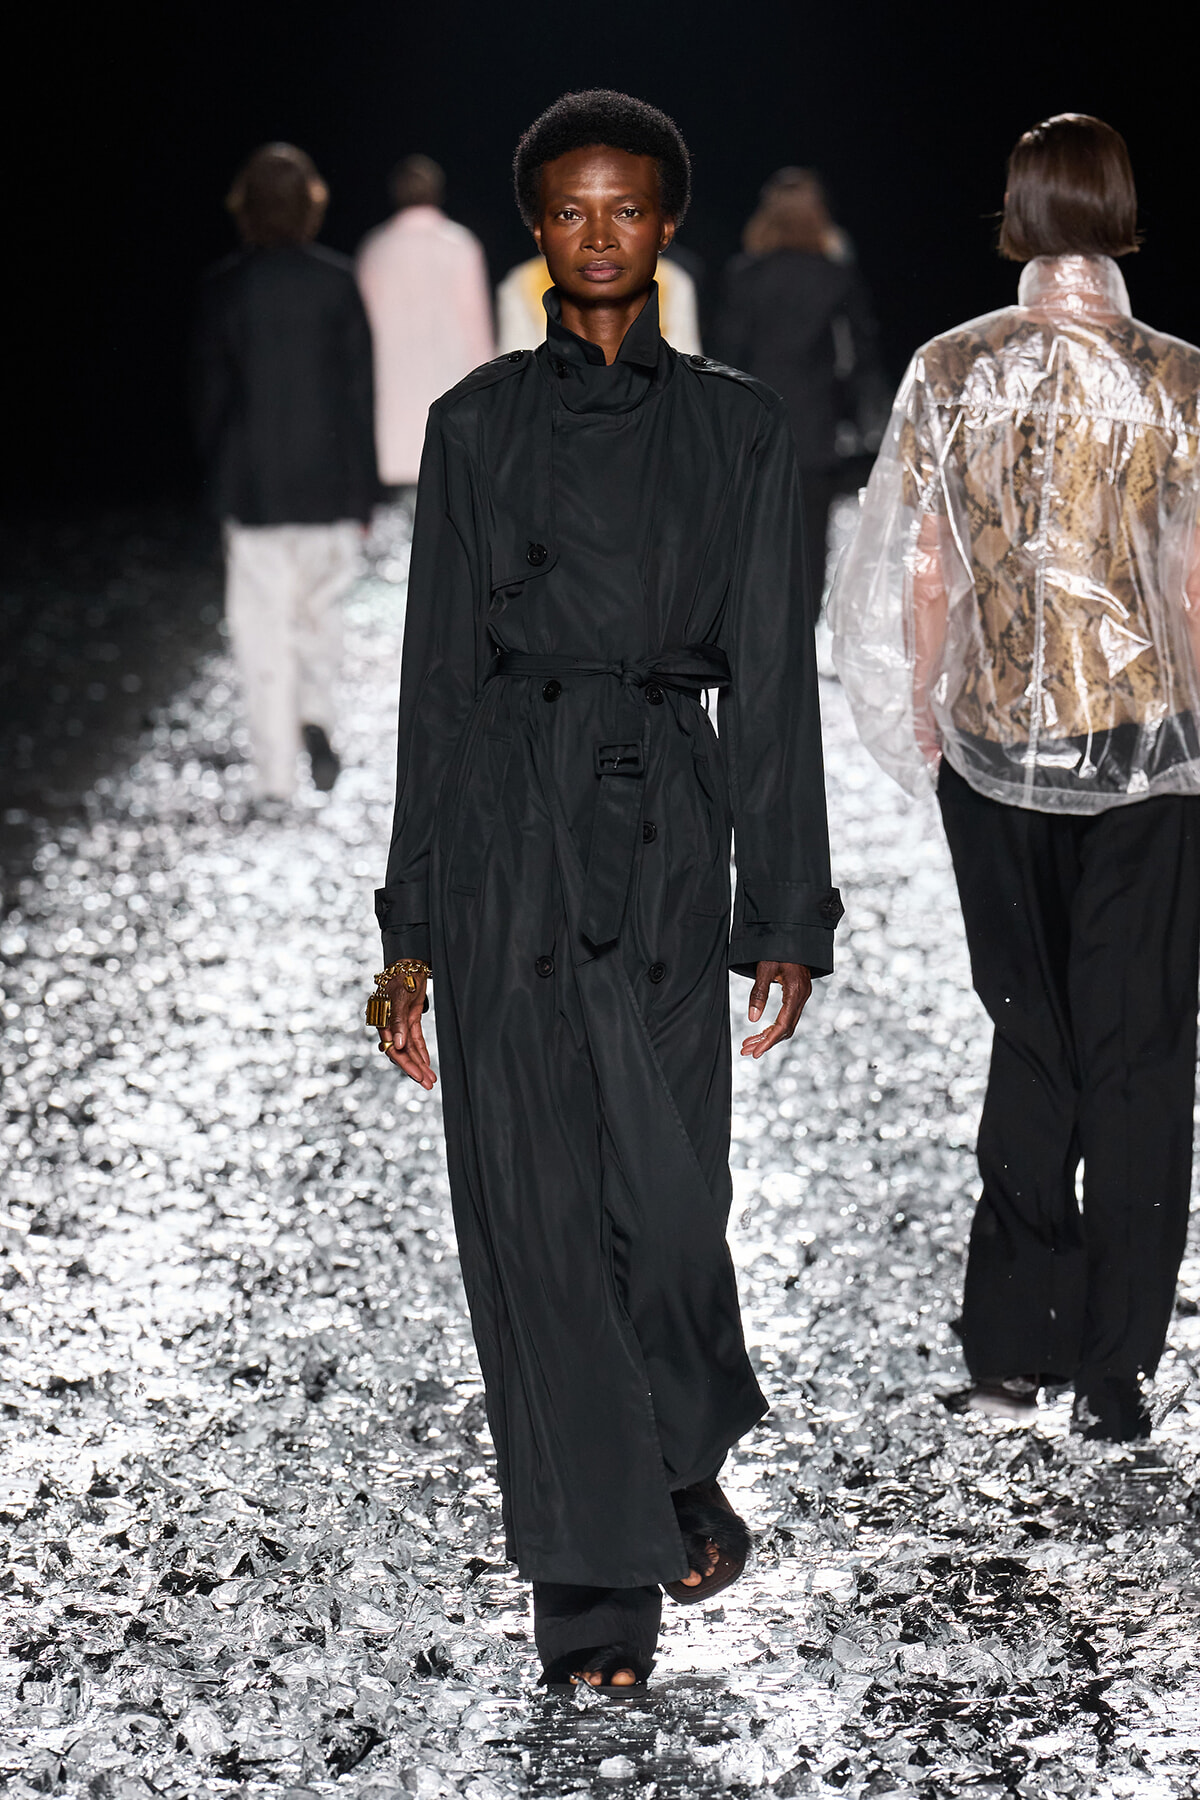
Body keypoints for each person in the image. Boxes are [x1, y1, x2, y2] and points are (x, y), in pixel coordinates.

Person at [371, 89, 841, 1688]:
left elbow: (773, 678)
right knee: (536, 1208)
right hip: (508, 816)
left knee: (668, 1196)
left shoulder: (739, 427)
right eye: (568, 209)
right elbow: (436, 681)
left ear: (663, 224)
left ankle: (673, 1446)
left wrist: (785, 911)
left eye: (623, 208)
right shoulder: (477, 426)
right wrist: (409, 931)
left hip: (665, 822)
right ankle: (591, 1590)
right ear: (537, 230)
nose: (596, 233)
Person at [829, 114, 1200, 1443]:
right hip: (1152, 750)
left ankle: (1011, 1354)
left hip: (993, 751)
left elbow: (920, 564)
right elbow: (1194, 581)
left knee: (1032, 1033)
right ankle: (1114, 1371)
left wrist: (924, 707)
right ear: (1123, 214)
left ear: (1013, 217)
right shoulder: (1177, 380)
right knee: (1142, 1047)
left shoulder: (950, 368)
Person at [193, 144, 378, 800]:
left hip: (254, 484)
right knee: (320, 616)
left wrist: (214, 473)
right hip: (328, 480)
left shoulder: (225, 287)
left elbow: (212, 398)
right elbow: (358, 395)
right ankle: (318, 716)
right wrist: (365, 490)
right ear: (311, 204)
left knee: (261, 630)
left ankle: (274, 776)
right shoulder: (338, 281)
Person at [714, 168, 888, 619]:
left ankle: (760, 646)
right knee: (811, 541)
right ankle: (802, 648)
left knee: (757, 538)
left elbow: (728, 356)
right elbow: (858, 355)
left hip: (754, 431)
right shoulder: (836, 277)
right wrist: (864, 420)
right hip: (816, 428)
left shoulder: (744, 276)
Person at [356, 155, 494, 493]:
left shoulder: (375, 249)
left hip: (389, 414)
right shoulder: (460, 246)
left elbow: (362, 338)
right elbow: (478, 336)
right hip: (451, 410)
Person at [495, 237, 702, 354]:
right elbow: (518, 366)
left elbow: (683, 357)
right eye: (571, 214)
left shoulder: (671, 281)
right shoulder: (523, 283)